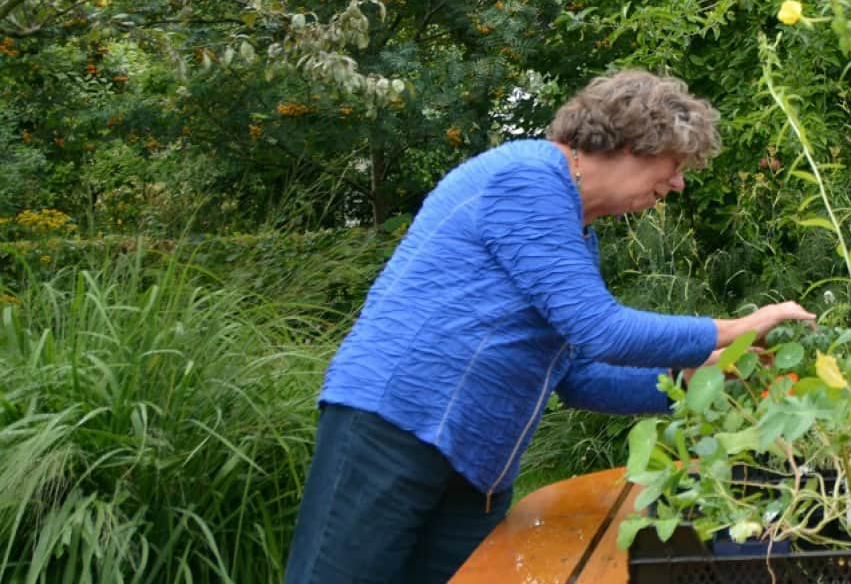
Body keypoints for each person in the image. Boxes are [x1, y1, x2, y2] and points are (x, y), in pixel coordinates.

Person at [284, 70, 814, 584]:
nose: (676, 183)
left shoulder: (576, 231)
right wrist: (739, 328)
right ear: (635, 143)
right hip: (395, 427)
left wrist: (700, 377)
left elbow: (578, 376)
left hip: (476, 466)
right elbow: (602, 331)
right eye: (675, 164)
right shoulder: (530, 179)